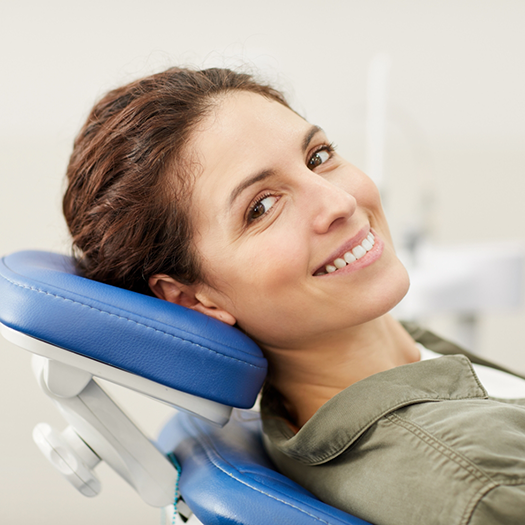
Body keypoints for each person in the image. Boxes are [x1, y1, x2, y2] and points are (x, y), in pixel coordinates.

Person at [63, 67, 525, 525]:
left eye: (318, 156)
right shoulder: (481, 483)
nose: (338, 202)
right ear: (192, 299)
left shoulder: (366, 390)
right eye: (261, 207)